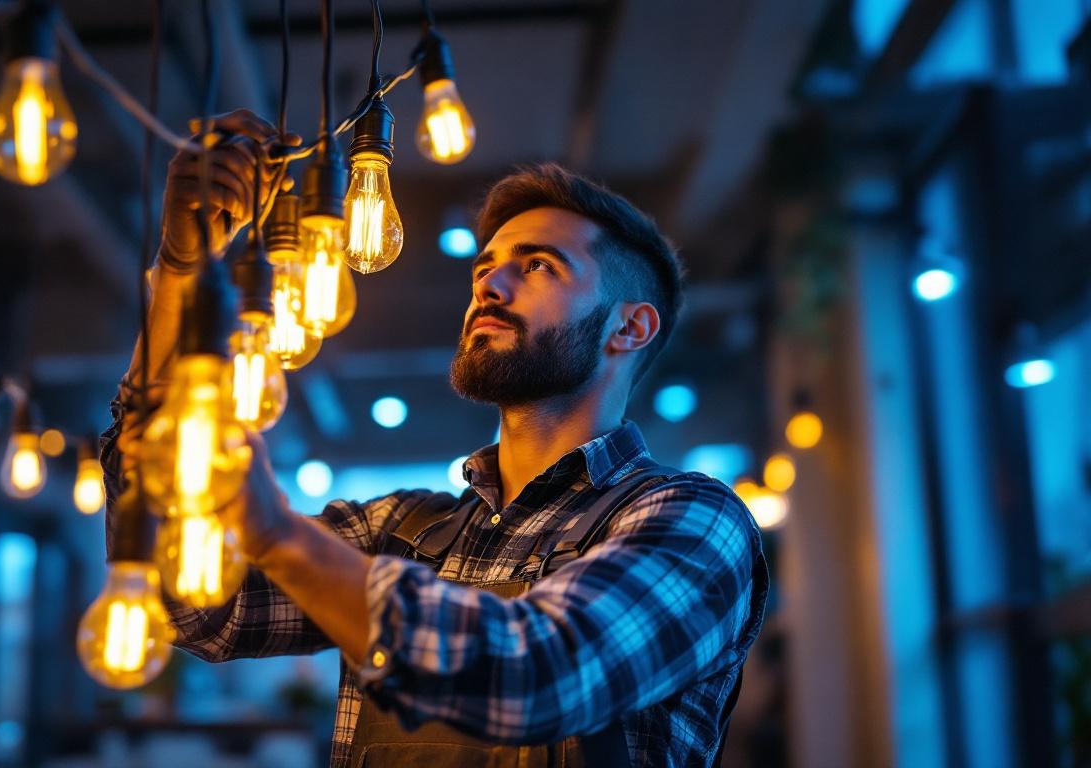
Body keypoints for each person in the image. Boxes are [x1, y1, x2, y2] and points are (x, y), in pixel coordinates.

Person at [101, 109, 768, 767]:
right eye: (486, 267)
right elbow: (200, 610)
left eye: (538, 267)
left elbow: (539, 675)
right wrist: (183, 276)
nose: (490, 285)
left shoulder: (692, 519)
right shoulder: (403, 531)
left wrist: (275, 529)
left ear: (630, 328)